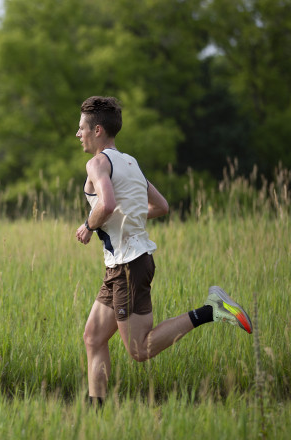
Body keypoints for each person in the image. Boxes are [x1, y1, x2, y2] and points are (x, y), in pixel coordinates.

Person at [75, 96, 252, 407]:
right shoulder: (129, 162)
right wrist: (126, 221)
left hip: (128, 266)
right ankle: (95, 415)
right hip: (124, 264)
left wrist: (89, 227)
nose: (78, 134)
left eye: (82, 128)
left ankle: (211, 310)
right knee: (93, 337)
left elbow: (107, 204)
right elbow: (161, 206)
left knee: (139, 350)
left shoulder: (97, 162)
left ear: (97, 129)